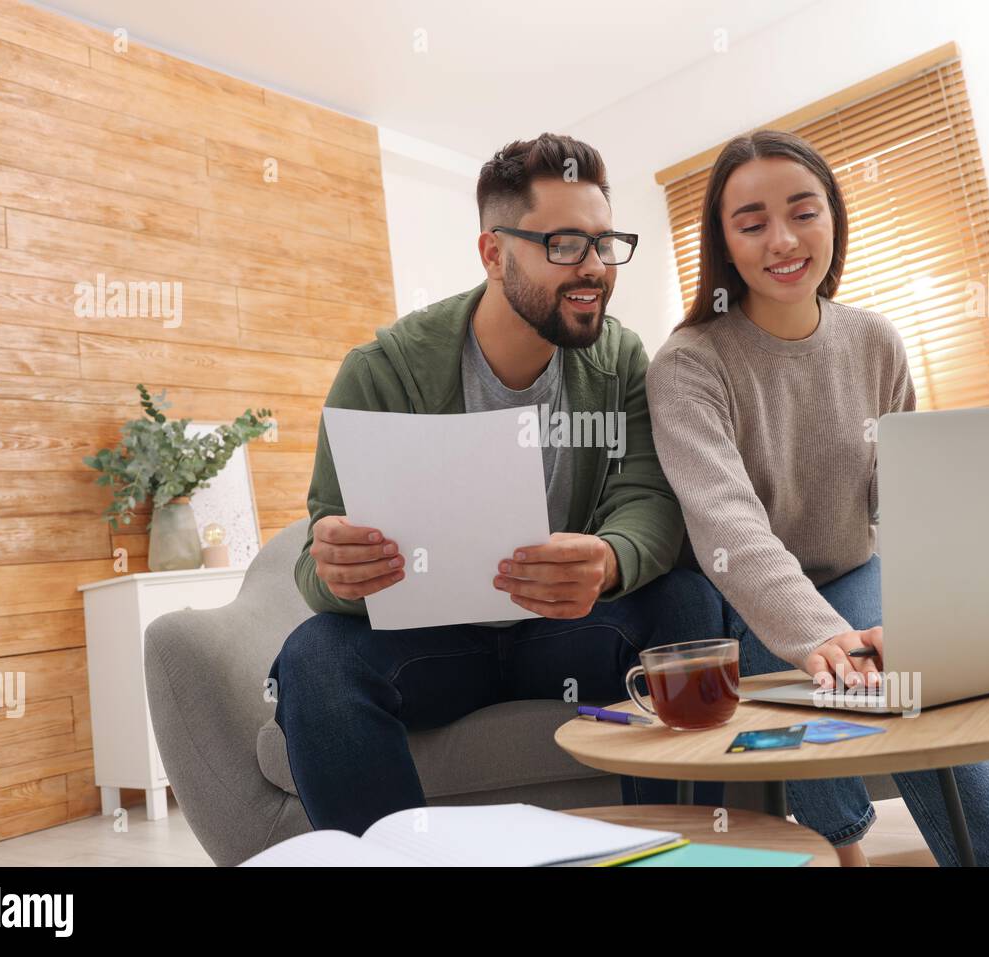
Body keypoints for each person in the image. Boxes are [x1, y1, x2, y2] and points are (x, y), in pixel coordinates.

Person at [268, 132, 741, 836]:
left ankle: (681, 850)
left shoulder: (620, 358)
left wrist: (609, 558)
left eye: (605, 244)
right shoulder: (381, 370)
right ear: (494, 252)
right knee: (313, 657)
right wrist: (339, 570)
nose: (594, 269)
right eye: (564, 245)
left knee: (687, 601)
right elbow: (319, 558)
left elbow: (646, 498)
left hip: (569, 633)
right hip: (436, 650)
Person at [645, 129, 989, 867]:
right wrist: (823, 638)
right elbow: (724, 520)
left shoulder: (876, 341)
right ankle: (841, 841)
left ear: (834, 216)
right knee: (851, 674)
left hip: (849, 566)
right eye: (752, 223)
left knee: (911, 688)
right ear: (723, 243)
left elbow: (899, 497)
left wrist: (950, 599)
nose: (783, 239)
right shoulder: (688, 363)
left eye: (804, 211)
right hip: (734, 590)